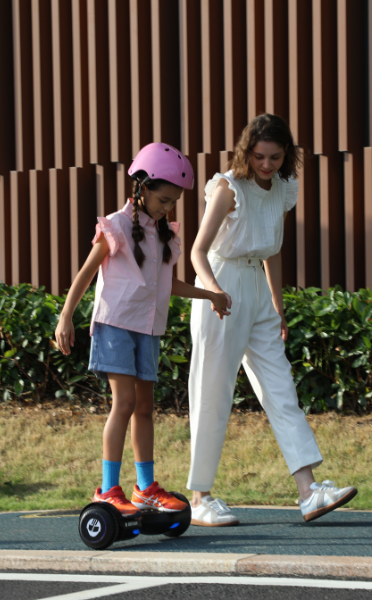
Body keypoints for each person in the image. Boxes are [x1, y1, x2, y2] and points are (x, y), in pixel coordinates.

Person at [187, 114, 357, 526]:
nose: (267, 165)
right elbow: (196, 250)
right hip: (221, 282)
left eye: (275, 157)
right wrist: (212, 291)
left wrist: (277, 306)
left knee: (281, 388)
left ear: (287, 155)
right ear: (247, 152)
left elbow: (273, 250)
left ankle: (308, 492)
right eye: (260, 157)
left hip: (257, 292)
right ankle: (200, 498)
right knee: (213, 390)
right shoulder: (228, 188)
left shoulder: (282, 188)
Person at [55, 143, 230, 517]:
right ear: (142, 186)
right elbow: (87, 272)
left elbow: (170, 284)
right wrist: (66, 316)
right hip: (115, 325)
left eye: (174, 202)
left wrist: (210, 294)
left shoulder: (164, 235)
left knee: (146, 407)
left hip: (148, 329)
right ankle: (107, 489)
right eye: (163, 199)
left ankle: (145, 488)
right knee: (126, 403)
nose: (168, 208)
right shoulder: (116, 226)